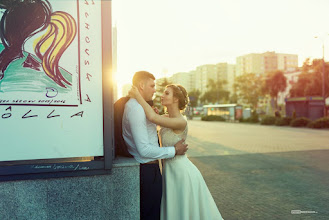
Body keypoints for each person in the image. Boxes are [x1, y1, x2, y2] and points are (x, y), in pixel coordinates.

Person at [129, 83, 224, 220]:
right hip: (170, 172)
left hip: (181, 173)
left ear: (176, 99)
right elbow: (152, 119)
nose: (162, 95)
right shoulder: (167, 118)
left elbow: (153, 118)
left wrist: (138, 95)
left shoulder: (180, 121)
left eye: (167, 93)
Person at [122, 71, 188, 220]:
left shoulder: (141, 108)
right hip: (149, 171)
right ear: (141, 85)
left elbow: (154, 120)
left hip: (162, 170)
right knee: (153, 214)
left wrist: (150, 118)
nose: (155, 91)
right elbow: (144, 149)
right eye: (152, 86)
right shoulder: (137, 108)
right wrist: (174, 150)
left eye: (165, 92)